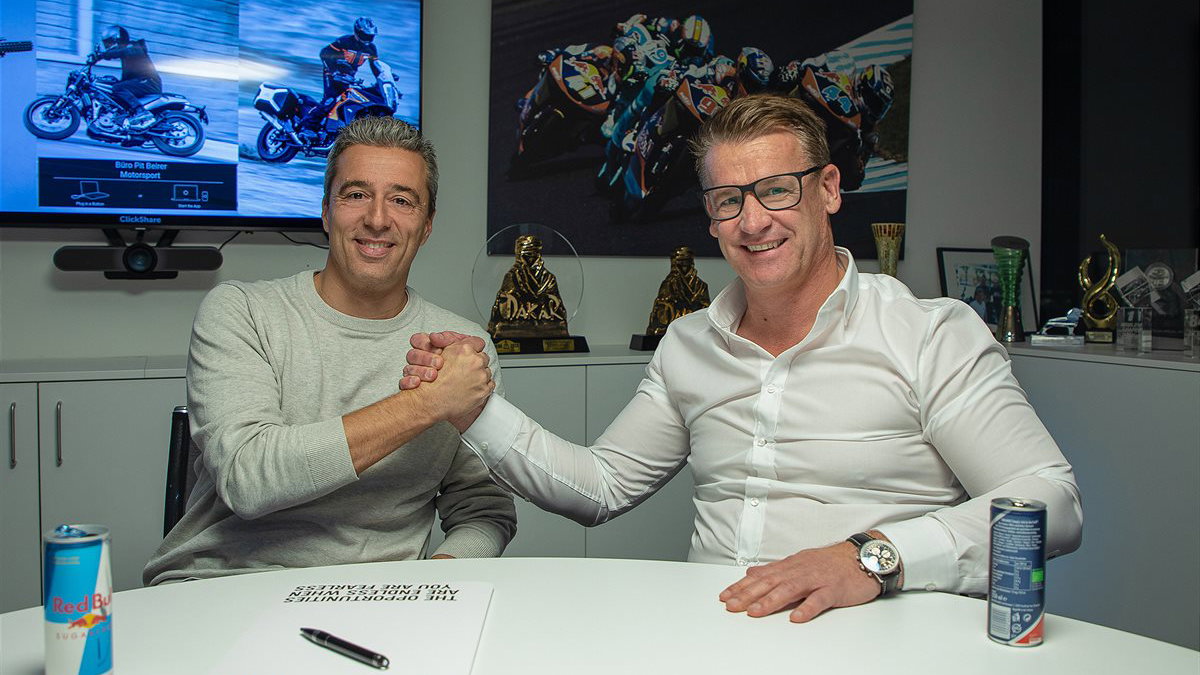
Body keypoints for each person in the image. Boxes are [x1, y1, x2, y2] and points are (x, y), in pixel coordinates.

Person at [402, 94, 1082, 623]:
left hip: (884, 641)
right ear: (710, 216)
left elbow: (1049, 500)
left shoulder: (931, 334)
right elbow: (601, 487)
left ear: (829, 189)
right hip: (716, 639)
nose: (752, 222)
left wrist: (872, 557)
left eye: (777, 189)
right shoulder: (688, 344)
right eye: (729, 200)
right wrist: (473, 409)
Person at [143, 116, 517, 585]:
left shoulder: (462, 350)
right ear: (326, 211)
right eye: (356, 195)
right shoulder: (242, 312)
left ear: (426, 227)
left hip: (386, 598)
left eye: (402, 200)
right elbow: (247, 479)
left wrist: (436, 580)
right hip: (226, 584)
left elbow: (483, 509)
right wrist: (426, 404)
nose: (377, 219)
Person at [92, 25, 161, 130]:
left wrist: (102, 55)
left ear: (117, 39)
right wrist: (95, 59)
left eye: (109, 42)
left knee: (118, 88)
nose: (107, 46)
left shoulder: (134, 47)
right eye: (106, 43)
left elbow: (121, 52)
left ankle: (141, 112)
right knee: (113, 84)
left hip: (149, 82)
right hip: (140, 81)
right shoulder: (126, 52)